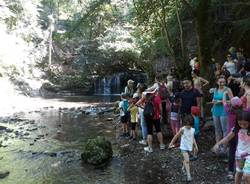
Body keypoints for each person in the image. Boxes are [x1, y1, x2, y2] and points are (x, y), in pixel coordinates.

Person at [212, 111, 250, 184]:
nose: (242, 125)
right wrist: (218, 144)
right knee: (239, 173)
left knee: (247, 175)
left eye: (245, 124)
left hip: (249, 155)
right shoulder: (236, 129)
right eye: (240, 123)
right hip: (239, 154)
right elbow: (227, 138)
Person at [169, 115, 198, 182]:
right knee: (187, 160)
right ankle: (188, 175)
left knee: (186, 160)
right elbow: (176, 136)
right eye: (187, 125)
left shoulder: (192, 130)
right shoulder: (183, 129)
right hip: (183, 147)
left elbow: (192, 138)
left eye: (190, 125)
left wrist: (195, 145)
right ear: (185, 123)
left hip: (189, 147)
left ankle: (183, 166)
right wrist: (171, 143)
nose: (189, 126)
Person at [210, 76, 233, 152]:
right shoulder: (215, 90)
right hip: (215, 110)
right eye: (220, 82)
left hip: (224, 110)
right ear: (217, 82)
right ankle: (218, 147)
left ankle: (224, 148)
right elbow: (213, 99)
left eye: (223, 82)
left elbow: (233, 101)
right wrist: (213, 103)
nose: (222, 83)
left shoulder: (227, 89)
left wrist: (222, 101)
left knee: (225, 130)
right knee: (217, 129)